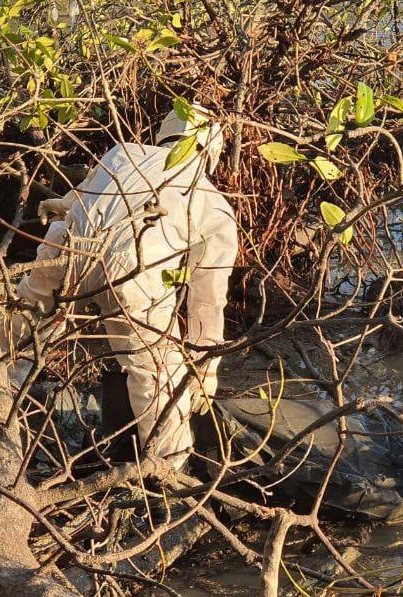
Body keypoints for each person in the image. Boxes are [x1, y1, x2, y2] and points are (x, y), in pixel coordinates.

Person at [15, 104, 238, 469]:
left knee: (24, 326)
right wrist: (204, 368)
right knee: (156, 373)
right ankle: (167, 471)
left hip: (66, 249)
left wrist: (63, 204)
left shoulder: (125, 152)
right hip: (134, 279)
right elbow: (207, 301)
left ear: (165, 135)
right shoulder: (214, 204)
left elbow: (90, 189)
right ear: (211, 152)